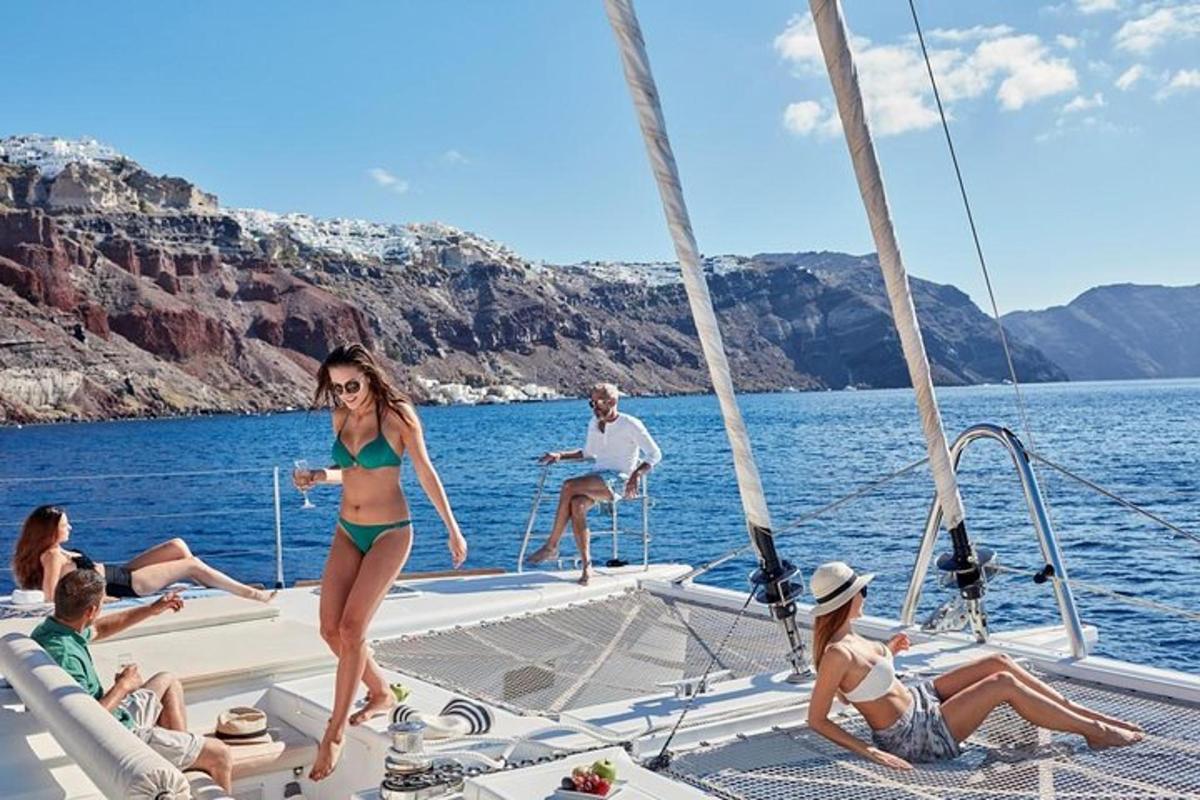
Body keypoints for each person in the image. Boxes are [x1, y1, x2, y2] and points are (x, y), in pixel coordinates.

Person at [293, 343, 468, 781]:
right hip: (346, 530)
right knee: (329, 630)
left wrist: (452, 527)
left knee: (352, 630)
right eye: (337, 388)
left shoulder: (398, 416)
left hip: (391, 531)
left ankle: (335, 733)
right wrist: (318, 475)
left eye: (353, 384)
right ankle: (379, 692)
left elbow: (425, 471)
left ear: (369, 375)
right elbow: (350, 472)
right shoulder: (340, 417)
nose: (347, 395)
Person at [806, 561, 1144, 769]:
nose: (866, 596)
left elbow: (866, 680)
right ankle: (1096, 732)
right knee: (1001, 683)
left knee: (998, 661)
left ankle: (1087, 714)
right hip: (914, 736)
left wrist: (890, 651)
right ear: (847, 600)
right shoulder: (838, 654)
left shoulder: (854, 638)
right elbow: (817, 720)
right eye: (861, 592)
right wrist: (872, 753)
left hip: (920, 701)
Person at [31, 569, 233, 791]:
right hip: (119, 735)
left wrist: (151, 609)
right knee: (220, 754)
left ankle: (178, 768)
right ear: (91, 611)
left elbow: (100, 628)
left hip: (118, 716)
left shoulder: (54, 631)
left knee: (167, 681)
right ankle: (185, 760)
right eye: (102, 603)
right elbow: (87, 722)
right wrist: (123, 687)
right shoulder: (66, 656)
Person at [526, 382, 661, 585]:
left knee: (568, 485)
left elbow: (655, 454)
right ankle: (587, 567)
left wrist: (637, 474)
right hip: (598, 478)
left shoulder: (630, 424)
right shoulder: (594, 423)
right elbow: (588, 453)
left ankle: (551, 545)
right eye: (592, 403)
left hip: (619, 480)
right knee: (576, 505)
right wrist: (560, 455)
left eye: (598, 403)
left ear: (613, 402)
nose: (595, 408)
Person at [12, 505, 274, 603]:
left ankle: (213, 590)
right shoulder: (52, 556)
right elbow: (50, 597)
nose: (70, 527)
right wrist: (100, 598)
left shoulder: (55, 551)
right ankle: (250, 593)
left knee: (178, 546)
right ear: (50, 531)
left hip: (119, 572)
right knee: (192, 564)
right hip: (126, 585)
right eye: (64, 525)